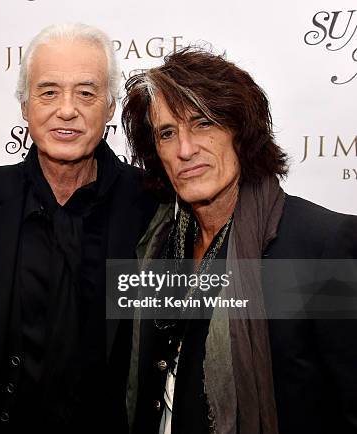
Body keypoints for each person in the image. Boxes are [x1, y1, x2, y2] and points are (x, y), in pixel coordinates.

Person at [122, 47, 357, 434]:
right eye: (167, 133)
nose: (185, 149)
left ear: (239, 131)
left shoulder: (320, 244)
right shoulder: (156, 245)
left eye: (203, 124)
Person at [0, 23, 157, 433]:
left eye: (86, 93)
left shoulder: (154, 204)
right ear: (24, 105)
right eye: (48, 91)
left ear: (109, 107)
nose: (67, 109)